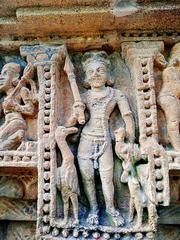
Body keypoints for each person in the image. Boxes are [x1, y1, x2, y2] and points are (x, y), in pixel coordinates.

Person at [75, 51, 135, 226]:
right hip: (86, 139)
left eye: (100, 70)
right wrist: (76, 111)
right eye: (91, 71)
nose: (95, 74)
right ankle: (94, 209)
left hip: (105, 140)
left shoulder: (116, 94)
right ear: (86, 77)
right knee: (87, 178)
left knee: (106, 178)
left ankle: (111, 208)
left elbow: (128, 116)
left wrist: (130, 141)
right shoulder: (84, 97)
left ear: (108, 74)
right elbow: (76, 121)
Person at [0, 62, 38, 150]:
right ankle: (17, 136)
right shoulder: (4, 98)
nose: (0, 77)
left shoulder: (22, 90)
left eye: (5, 74)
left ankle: (18, 136)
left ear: (15, 77)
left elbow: (31, 110)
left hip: (16, 122)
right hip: (7, 123)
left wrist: (15, 106)